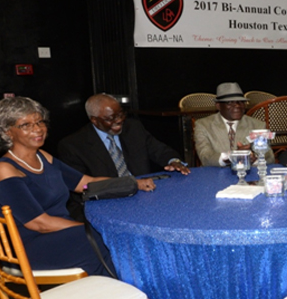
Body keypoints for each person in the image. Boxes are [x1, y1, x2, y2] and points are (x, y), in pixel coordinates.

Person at [0, 97, 157, 277]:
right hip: (29, 246)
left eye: (39, 122)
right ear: (7, 132)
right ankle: (126, 288)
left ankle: (128, 286)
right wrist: (86, 228)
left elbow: (85, 182)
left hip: (60, 233)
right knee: (104, 239)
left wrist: (132, 183)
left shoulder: (43, 157)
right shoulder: (5, 169)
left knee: (113, 238)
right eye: (26, 125)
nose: (38, 129)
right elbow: (39, 223)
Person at [58, 93, 189, 219]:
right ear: (94, 120)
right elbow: (84, 190)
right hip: (106, 204)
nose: (119, 120)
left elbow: (159, 150)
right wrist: (130, 186)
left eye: (121, 114)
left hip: (145, 197)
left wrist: (173, 161)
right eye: (111, 118)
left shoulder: (133, 128)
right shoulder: (73, 146)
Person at [193, 82, 274, 167]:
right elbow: (205, 157)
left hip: (247, 172)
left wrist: (255, 159)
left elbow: (269, 157)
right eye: (229, 102)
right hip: (215, 173)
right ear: (218, 106)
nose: (237, 105)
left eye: (241, 102)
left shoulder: (257, 125)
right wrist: (232, 156)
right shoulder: (203, 125)